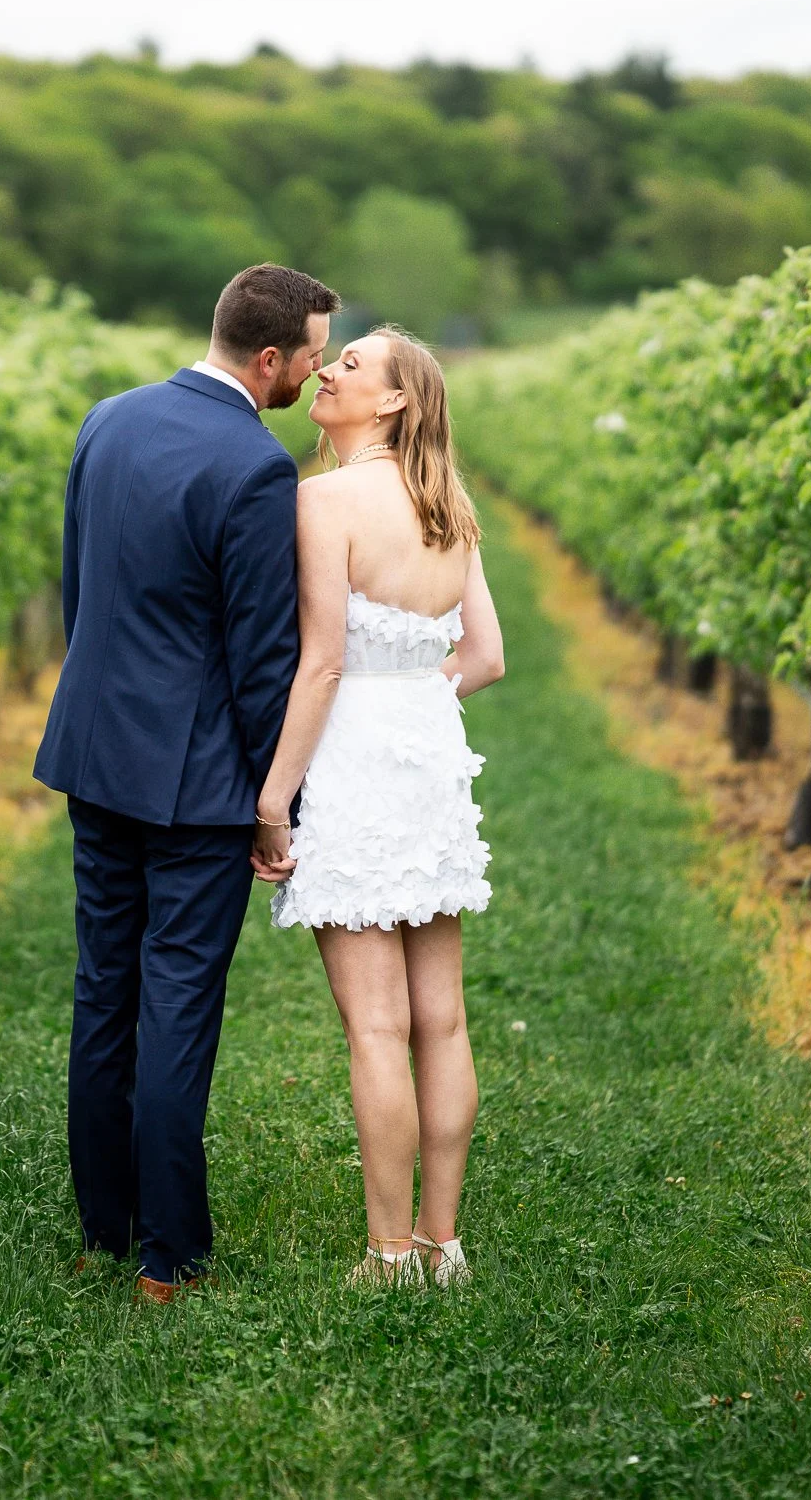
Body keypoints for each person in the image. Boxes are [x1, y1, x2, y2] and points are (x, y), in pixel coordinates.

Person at [33, 263, 338, 1304]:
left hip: (95, 753)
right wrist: (274, 802)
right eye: (311, 356)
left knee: (102, 991)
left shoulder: (106, 419)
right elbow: (261, 657)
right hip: (197, 780)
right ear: (269, 357)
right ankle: (168, 1255)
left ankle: (101, 1232)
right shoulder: (255, 467)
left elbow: (81, 595)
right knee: (176, 1003)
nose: (315, 372)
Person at [253, 325, 504, 1287]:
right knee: (442, 1019)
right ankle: (444, 1243)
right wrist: (412, 700)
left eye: (351, 363)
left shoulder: (323, 499)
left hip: (353, 759)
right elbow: (485, 657)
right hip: (429, 757)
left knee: (375, 1026)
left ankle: (389, 1253)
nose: (327, 369)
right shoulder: (449, 506)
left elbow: (321, 664)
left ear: (394, 400)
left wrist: (274, 799)